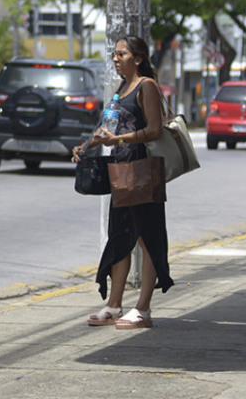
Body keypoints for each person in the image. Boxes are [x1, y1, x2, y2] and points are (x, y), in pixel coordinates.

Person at [71, 35, 174, 329]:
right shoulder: (121, 87)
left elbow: (154, 130)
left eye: (121, 54)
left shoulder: (147, 86)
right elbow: (109, 125)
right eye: (114, 54)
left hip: (142, 170)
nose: (116, 59)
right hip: (121, 171)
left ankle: (143, 309)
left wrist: (118, 139)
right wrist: (87, 146)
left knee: (147, 238)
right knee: (120, 237)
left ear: (137, 59)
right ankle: (114, 305)